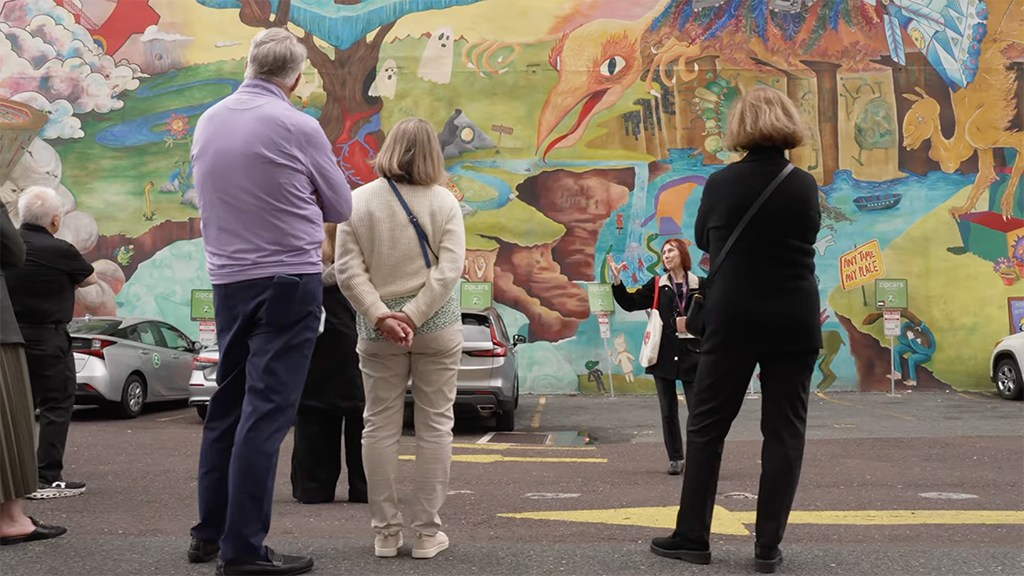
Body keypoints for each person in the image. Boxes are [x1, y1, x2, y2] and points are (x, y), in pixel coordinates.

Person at [188, 28, 352, 576]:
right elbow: (341, 205)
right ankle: (243, 551)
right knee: (267, 415)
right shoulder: (297, 125)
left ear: (249, 66)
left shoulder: (209, 120)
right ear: (297, 80)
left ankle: (209, 534)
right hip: (288, 280)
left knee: (228, 408)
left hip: (228, 281)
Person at [649, 86, 821, 575]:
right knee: (784, 431)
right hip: (794, 317)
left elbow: (703, 239)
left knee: (707, 426)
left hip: (733, 316)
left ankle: (693, 538)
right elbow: (805, 236)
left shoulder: (721, 183)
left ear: (741, 128)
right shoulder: (803, 184)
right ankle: (767, 547)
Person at [336, 117, 466, 560]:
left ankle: (386, 535)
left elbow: (347, 273)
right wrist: (413, 315)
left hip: (377, 331)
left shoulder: (356, 203)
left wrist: (384, 317)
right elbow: (449, 272)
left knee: (379, 426)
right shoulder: (445, 203)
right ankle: (428, 534)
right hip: (437, 325)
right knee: (435, 427)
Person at [4, 187, 96, 500]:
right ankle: (46, 476)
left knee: (16, 408)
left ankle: (11, 479)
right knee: (57, 404)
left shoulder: (8, 247)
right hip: (49, 337)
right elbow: (90, 279)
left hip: (10, 339)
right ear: (56, 219)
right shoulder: (61, 250)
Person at [0, 200, 67, 545]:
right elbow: (12, 252)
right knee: (12, 418)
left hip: (22, 328)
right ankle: (12, 517)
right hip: (15, 334)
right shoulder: (60, 250)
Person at [608, 239, 703, 476]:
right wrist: (618, 281)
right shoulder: (658, 284)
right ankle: (676, 458)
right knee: (668, 410)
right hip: (663, 354)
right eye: (663, 252)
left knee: (698, 411)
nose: (666, 255)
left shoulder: (699, 284)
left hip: (694, 355)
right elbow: (630, 303)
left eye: (670, 250)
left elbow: (712, 316)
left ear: (682, 254)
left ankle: (702, 459)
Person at [290, 223, 367, 506]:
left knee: (313, 422)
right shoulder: (358, 279)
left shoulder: (303, 279)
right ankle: (365, 487)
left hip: (313, 363)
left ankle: (313, 488)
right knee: (364, 425)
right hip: (358, 362)